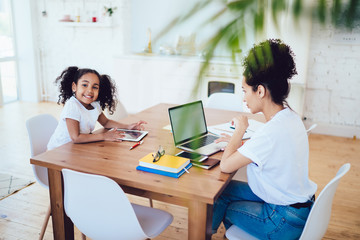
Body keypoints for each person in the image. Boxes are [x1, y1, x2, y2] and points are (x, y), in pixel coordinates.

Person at [212, 39, 317, 239]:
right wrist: (239, 144)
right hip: (298, 209)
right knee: (224, 192)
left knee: (227, 206)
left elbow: (226, 165)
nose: (243, 98)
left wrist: (239, 130)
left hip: (282, 220)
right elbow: (272, 149)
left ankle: (204, 232)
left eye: (245, 91)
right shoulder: (290, 117)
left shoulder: (270, 133)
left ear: (260, 91)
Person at [47, 66, 146, 150]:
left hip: (77, 148)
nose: (90, 90)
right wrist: (105, 136)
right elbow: (76, 137)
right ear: (74, 87)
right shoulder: (72, 106)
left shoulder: (95, 105)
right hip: (59, 150)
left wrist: (128, 127)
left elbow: (106, 123)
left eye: (95, 87)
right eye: (84, 85)